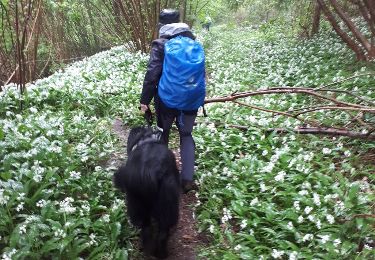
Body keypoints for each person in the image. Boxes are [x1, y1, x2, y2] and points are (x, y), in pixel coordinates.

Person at [139, 9, 204, 193]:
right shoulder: (192, 43)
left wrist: (145, 100)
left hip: (167, 101)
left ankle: (162, 179)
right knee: (186, 135)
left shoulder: (160, 44)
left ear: (161, 26)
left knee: (163, 134)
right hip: (191, 100)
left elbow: (152, 74)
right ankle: (187, 180)